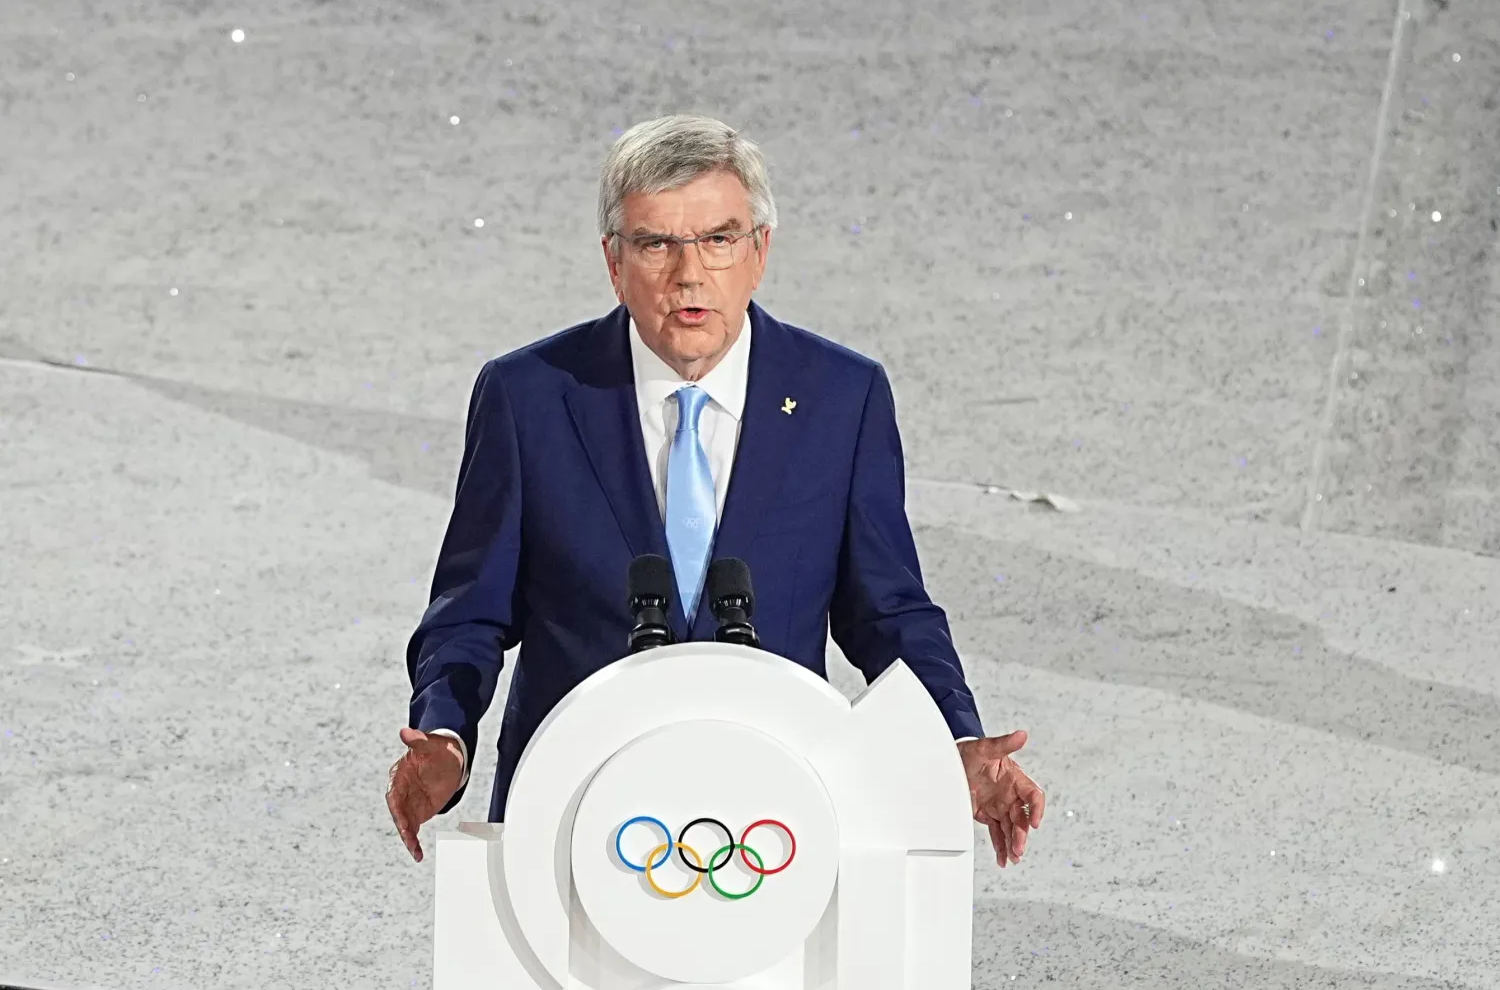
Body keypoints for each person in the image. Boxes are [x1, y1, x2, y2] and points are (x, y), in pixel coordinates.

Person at [386, 113, 1045, 869]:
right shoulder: (529, 396)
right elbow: (469, 613)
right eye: (657, 243)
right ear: (613, 259)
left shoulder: (840, 396)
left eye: (718, 239)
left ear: (760, 251)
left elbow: (888, 611)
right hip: (570, 818)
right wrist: (445, 736)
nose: (689, 273)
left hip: (774, 823)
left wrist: (951, 740)